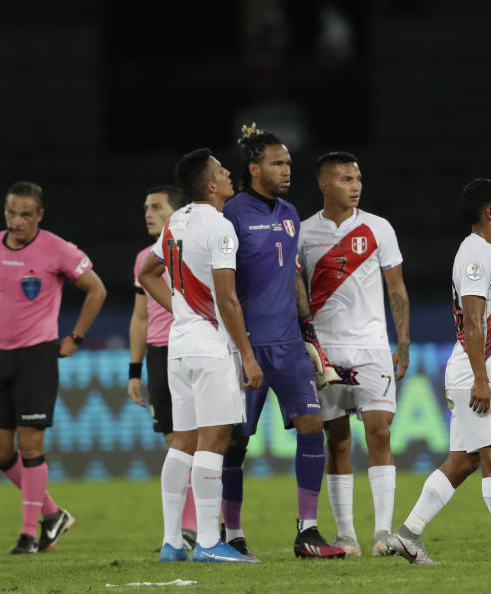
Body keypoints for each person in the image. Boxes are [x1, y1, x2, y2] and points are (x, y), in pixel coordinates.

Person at [386, 178, 491, 565]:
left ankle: (407, 534)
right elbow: (473, 319)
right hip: (479, 369)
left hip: (473, 367)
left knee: (464, 461)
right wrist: (482, 379)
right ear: (489, 212)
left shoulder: (484, 253)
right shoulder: (477, 256)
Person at [219, 124, 353, 559]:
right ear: (254, 168)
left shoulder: (292, 213)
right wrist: (240, 348)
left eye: (289, 163)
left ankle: (307, 532)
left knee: (313, 427)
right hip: (249, 344)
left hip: (290, 344)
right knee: (236, 440)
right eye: (277, 163)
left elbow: (293, 274)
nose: (286, 169)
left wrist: (307, 328)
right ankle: (233, 533)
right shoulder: (231, 214)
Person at [138, 148, 264, 563]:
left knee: (183, 443)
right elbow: (227, 299)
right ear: (211, 185)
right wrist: (247, 355)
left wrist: (180, 309)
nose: (230, 175)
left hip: (179, 346)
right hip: (211, 347)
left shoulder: (177, 221)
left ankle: (173, 542)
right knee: (214, 440)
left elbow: (147, 273)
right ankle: (209, 541)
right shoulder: (220, 225)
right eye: (224, 171)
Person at [0, 180, 107, 554]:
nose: (16, 222)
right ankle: (54, 514)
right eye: (10, 213)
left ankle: (28, 534)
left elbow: (97, 289)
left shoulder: (57, 249)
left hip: (37, 356)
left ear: (39, 215)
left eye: (24, 215)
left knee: (31, 444)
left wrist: (75, 338)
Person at [298, 152, 411, 556]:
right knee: (337, 440)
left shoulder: (379, 228)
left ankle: (383, 533)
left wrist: (403, 341)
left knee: (380, 431)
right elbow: (296, 292)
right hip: (325, 351)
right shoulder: (303, 232)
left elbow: (396, 288)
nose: (356, 185)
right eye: (346, 179)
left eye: (358, 178)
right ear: (325, 185)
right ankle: (346, 534)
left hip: (372, 347)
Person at [127, 185, 197, 551]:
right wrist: (134, 371)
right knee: (174, 440)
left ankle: (200, 525)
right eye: (145, 207)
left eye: (156, 206)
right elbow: (140, 317)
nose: (148, 213)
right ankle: (188, 527)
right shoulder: (145, 258)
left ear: (178, 211)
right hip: (158, 352)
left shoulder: (192, 249)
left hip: (192, 348)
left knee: (200, 440)